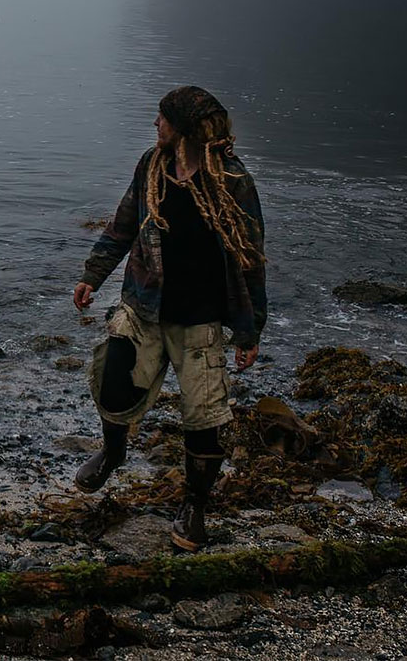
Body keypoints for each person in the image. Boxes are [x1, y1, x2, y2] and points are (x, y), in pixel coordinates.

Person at [72, 86, 266, 552]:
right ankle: (114, 451)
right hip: (144, 306)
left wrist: (249, 330)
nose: (154, 125)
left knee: (203, 417)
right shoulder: (152, 166)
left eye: (161, 119)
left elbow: (250, 257)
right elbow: (122, 224)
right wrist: (93, 276)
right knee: (113, 377)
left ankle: (194, 508)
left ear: (182, 129)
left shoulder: (233, 181)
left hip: (199, 318)